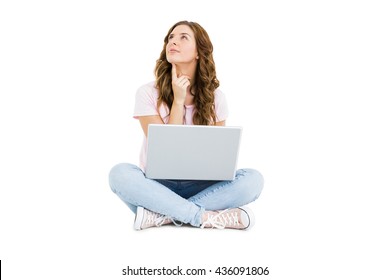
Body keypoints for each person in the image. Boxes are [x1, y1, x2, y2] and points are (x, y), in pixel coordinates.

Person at [109, 20, 264, 230]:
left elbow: (218, 158)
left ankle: (163, 216)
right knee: (119, 174)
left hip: (202, 186)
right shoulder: (147, 93)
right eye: (171, 37)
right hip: (157, 185)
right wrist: (178, 101)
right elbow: (165, 154)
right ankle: (203, 217)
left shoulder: (216, 98)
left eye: (183, 37)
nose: (173, 42)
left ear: (199, 51)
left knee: (253, 180)